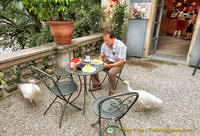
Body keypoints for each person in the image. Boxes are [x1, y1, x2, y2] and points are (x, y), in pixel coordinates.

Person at [91, 29, 127, 96]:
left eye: (107, 40)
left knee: (111, 72)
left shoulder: (121, 46)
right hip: (108, 61)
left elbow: (121, 62)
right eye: (104, 40)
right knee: (94, 66)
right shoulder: (104, 45)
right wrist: (100, 62)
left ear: (112, 38)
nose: (105, 42)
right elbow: (101, 56)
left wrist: (109, 66)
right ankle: (96, 85)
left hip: (118, 63)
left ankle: (111, 92)